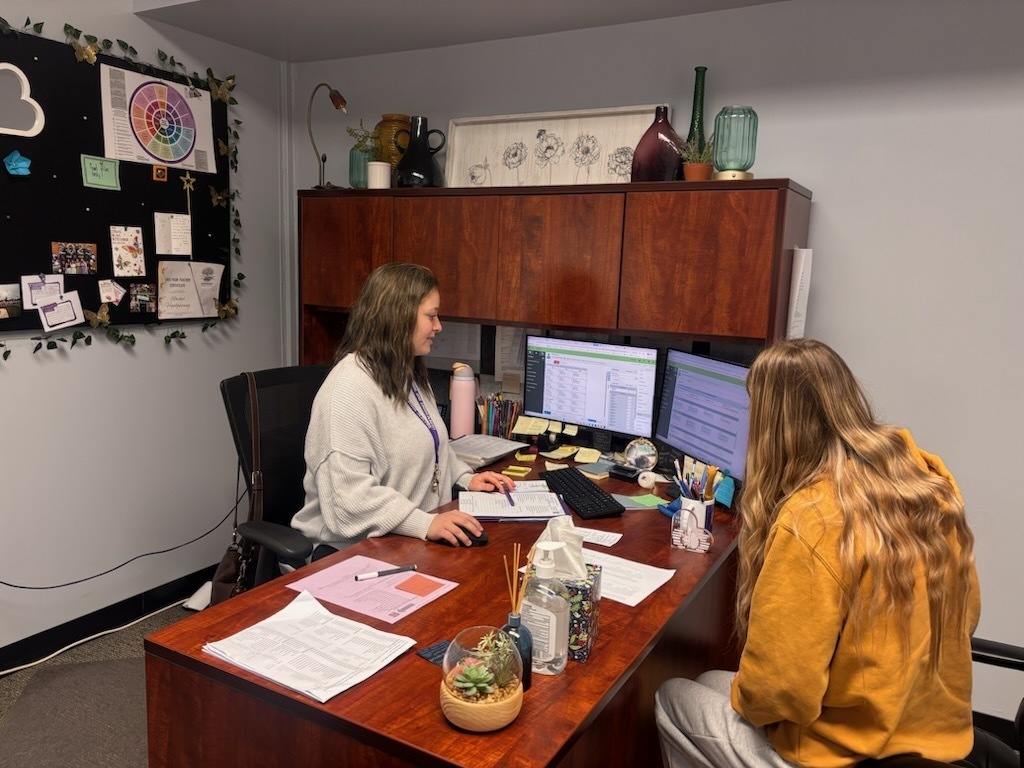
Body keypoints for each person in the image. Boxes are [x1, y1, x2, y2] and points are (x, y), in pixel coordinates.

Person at [655, 338, 980, 767]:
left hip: (846, 752)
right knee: (711, 680)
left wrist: (759, 696)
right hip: (926, 735)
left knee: (671, 696)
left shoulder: (814, 517)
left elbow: (779, 691)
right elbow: (968, 617)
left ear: (774, 426)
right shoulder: (923, 483)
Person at [293, 263, 513, 554]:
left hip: (406, 538)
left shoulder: (406, 373)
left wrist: (465, 478)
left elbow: (432, 444)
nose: (438, 326)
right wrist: (424, 523)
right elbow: (348, 501)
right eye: (431, 316)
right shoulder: (347, 390)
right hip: (348, 552)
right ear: (399, 316)